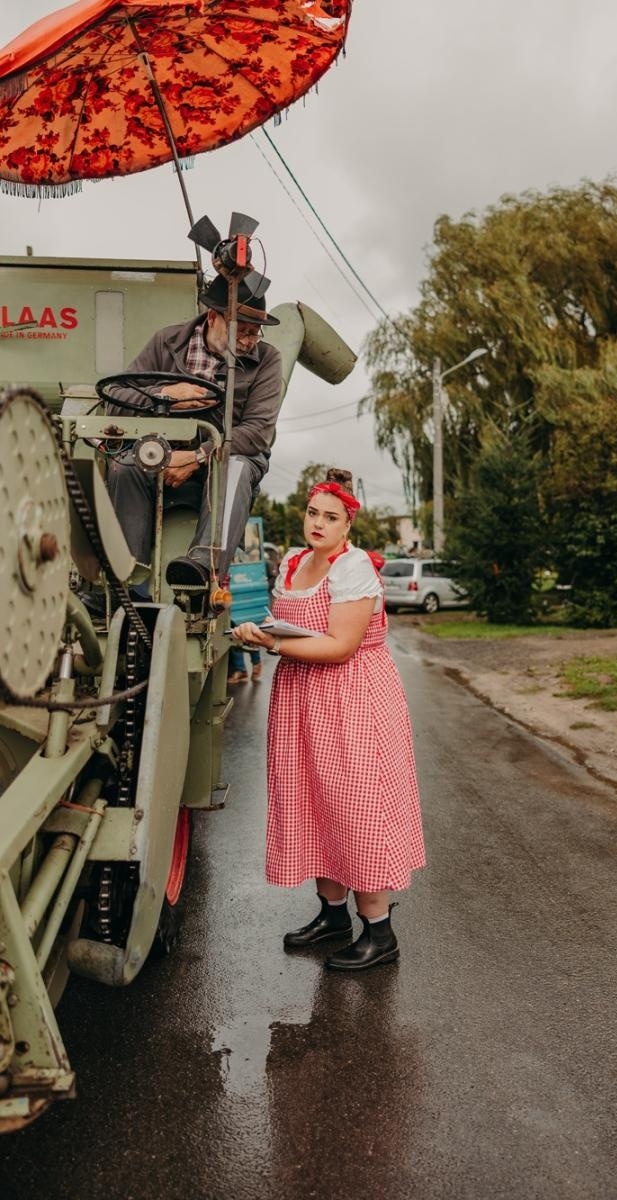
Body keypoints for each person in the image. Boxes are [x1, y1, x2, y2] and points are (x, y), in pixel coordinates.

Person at [232, 468, 425, 971]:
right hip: (302, 699)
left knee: (358, 807)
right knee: (314, 803)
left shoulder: (353, 565)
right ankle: (333, 916)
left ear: (347, 526)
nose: (318, 523)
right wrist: (260, 634)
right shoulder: (294, 562)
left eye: (330, 517)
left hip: (353, 699)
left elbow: (341, 647)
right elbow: (299, 632)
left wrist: (272, 641)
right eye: (313, 512)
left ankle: (380, 934)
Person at [105, 273, 283, 592]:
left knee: (238, 467)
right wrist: (166, 395)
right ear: (213, 317)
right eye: (241, 330)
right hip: (163, 456)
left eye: (256, 332)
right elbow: (116, 398)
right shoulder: (167, 342)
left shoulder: (268, 360)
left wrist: (200, 455)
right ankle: (124, 583)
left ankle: (201, 572)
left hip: (225, 460)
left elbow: (258, 433)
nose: (250, 341)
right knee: (125, 466)